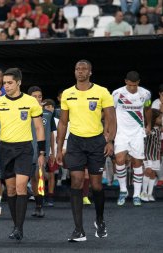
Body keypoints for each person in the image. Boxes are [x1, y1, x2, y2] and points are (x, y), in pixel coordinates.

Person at [56, 60, 116, 242]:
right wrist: (59, 148)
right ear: (74, 72)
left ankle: (99, 219)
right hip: (75, 143)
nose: (80, 71)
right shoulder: (67, 93)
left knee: (96, 185)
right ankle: (79, 230)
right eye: (77, 69)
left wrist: (110, 141)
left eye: (84, 69)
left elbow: (111, 118)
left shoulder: (102, 92)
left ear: (90, 72)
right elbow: (63, 122)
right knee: (76, 181)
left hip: (96, 142)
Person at [0, 68, 45, 242]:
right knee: (10, 189)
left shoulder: (31, 102)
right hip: (5, 149)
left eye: (10, 83)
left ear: (19, 82)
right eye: (4, 83)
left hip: (24, 149)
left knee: (20, 187)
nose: (6, 86)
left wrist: (42, 152)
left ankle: (19, 228)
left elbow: (39, 128)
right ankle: (16, 224)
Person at [112, 71, 152, 206]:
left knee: (137, 163)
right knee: (119, 159)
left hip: (137, 133)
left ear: (138, 82)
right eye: (131, 85)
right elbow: (110, 113)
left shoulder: (145, 94)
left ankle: (136, 194)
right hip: (121, 132)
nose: (133, 87)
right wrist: (109, 131)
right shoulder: (117, 94)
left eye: (135, 85)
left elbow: (147, 109)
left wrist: (149, 125)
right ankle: (123, 191)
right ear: (126, 82)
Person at [27, 86, 56, 216]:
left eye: (40, 96)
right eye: (35, 96)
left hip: (41, 151)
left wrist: (53, 152)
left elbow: (51, 134)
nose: (38, 99)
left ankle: (39, 205)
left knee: (39, 176)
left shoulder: (48, 114)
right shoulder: (23, 112)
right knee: (31, 179)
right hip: (25, 150)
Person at [141, 108, 161, 202]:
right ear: (153, 119)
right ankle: (143, 192)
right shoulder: (147, 129)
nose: (161, 120)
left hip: (155, 154)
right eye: (159, 118)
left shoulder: (159, 129)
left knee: (153, 174)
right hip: (147, 153)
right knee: (148, 171)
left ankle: (149, 194)